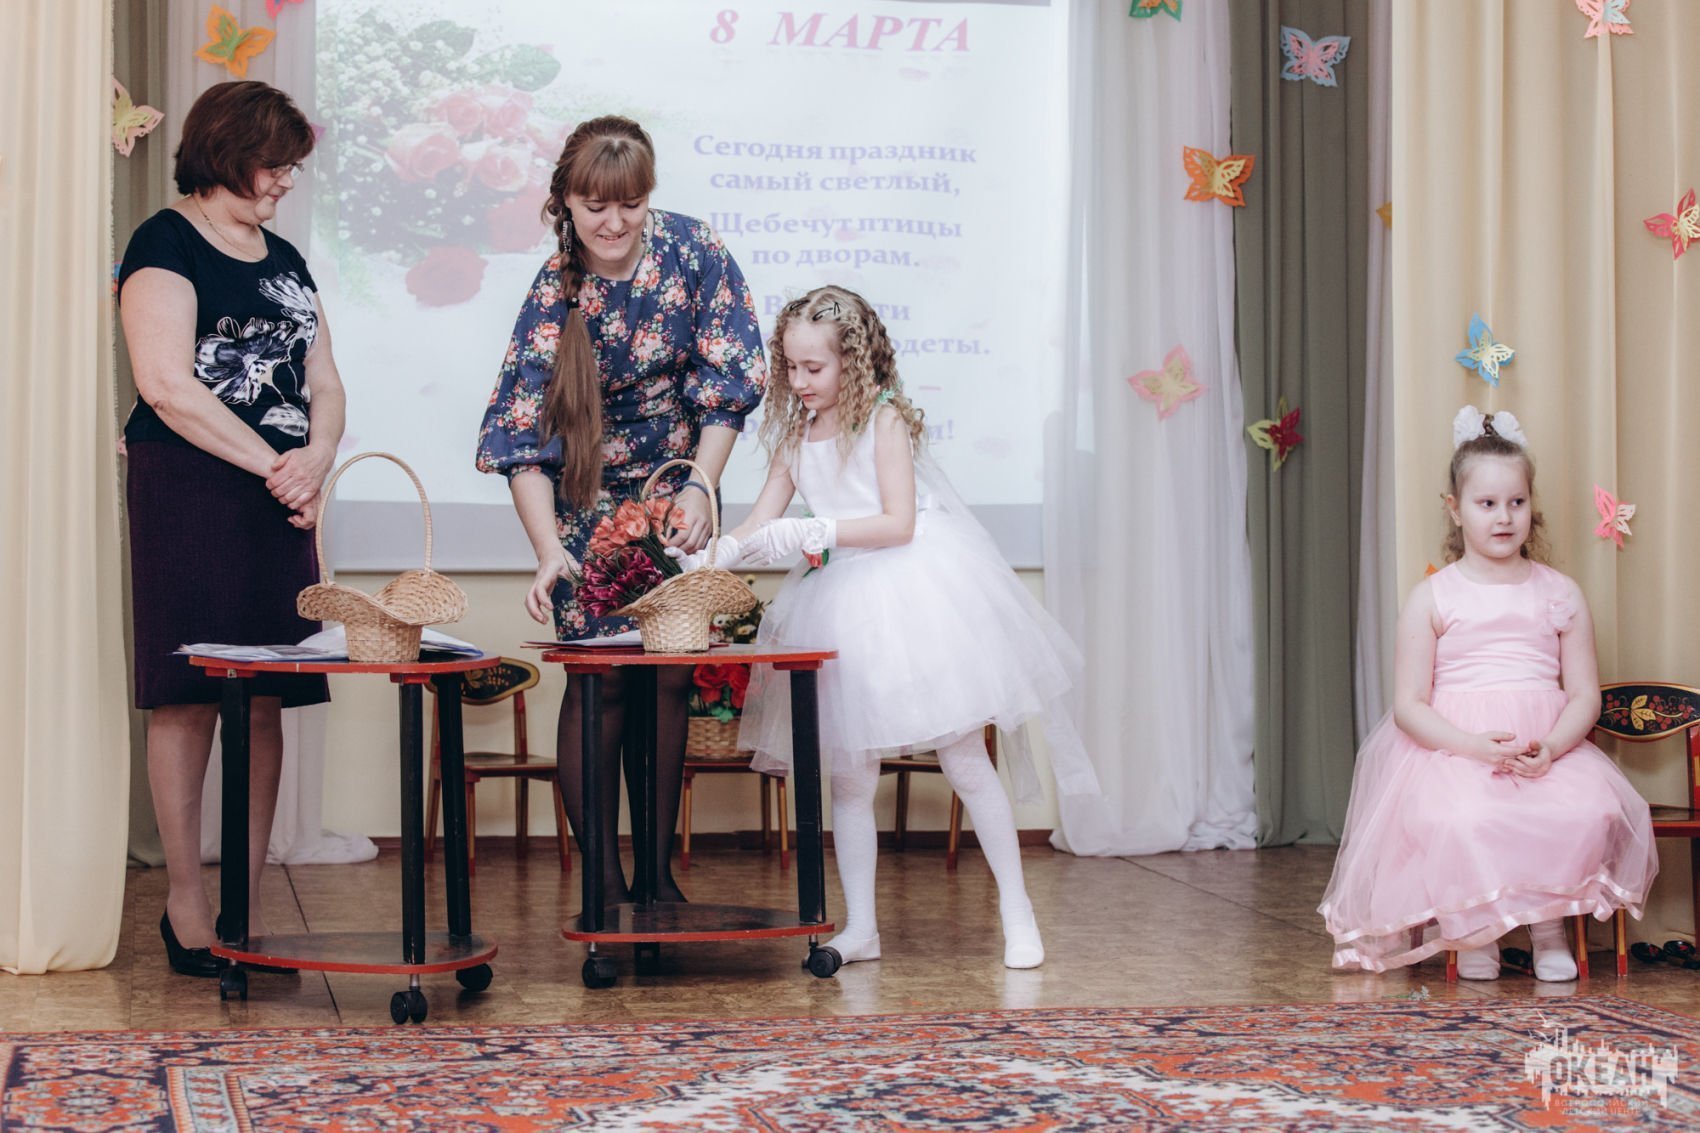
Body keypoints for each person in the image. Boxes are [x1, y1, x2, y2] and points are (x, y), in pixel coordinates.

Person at [691, 285, 1098, 969]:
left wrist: (818, 530)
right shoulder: (795, 436)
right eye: (790, 367)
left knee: (964, 758)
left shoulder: (883, 422)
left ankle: (1017, 910)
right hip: (839, 606)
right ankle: (863, 929)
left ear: (851, 361)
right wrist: (716, 553)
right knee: (851, 777)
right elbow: (762, 519)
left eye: (814, 367)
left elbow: (898, 522)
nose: (800, 381)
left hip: (913, 595)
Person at [476, 116, 767, 906]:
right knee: (600, 684)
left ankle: (657, 880)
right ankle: (602, 883)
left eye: (630, 204)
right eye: (595, 207)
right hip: (584, 508)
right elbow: (520, 440)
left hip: (675, 491)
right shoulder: (554, 290)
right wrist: (549, 549)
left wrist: (700, 485)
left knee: (667, 680)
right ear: (565, 203)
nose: (614, 223)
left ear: (649, 197)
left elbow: (728, 385)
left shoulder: (694, 250)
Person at [118, 81, 346, 977]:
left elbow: (324, 380)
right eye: (273, 164)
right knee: (187, 693)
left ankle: (244, 910)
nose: (285, 180)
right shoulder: (164, 241)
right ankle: (187, 905)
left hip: (278, 493)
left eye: (292, 166)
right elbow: (166, 385)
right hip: (190, 486)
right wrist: (277, 465)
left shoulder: (285, 256)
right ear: (226, 153)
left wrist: (315, 456)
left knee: (265, 693)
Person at [1319, 407, 1657, 980]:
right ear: (1455, 509)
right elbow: (1409, 706)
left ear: (1531, 505)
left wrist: (1552, 746)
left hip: (1543, 749)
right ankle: (1477, 932)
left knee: (1586, 810)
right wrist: (1472, 746)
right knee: (1464, 816)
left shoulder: (1561, 592)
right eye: (1487, 503)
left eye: (1516, 502)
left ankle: (1548, 931)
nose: (1504, 517)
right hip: (1456, 751)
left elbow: (1584, 695)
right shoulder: (1433, 597)